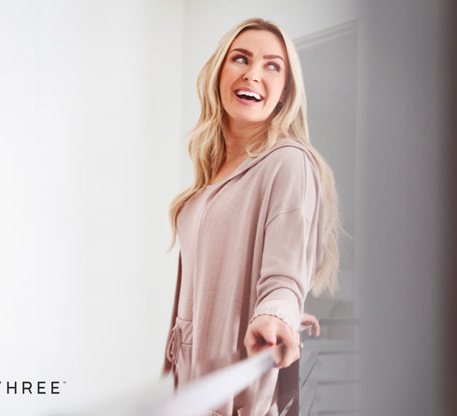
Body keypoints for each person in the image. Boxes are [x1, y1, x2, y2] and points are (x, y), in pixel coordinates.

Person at [161, 17, 340, 416]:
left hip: (239, 397)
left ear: (284, 93)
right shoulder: (210, 176)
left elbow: (283, 275)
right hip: (190, 387)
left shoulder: (288, 163)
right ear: (219, 73)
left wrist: (277, 312)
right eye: (240, 59)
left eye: (272, 65)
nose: (253, 74)